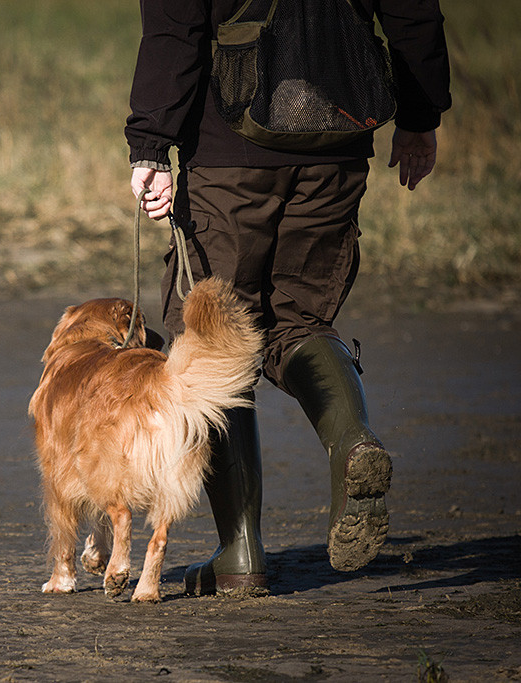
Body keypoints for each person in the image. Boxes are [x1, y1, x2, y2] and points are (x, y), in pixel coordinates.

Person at [125, 0, 451, 594]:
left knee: (213, 344)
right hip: (339, 139)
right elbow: (411, 10)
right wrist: (420, 114)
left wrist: (151, 142)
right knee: (299, 320)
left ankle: (241, 555)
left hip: (228, 151)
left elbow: (176, 25)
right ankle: (352, 441)